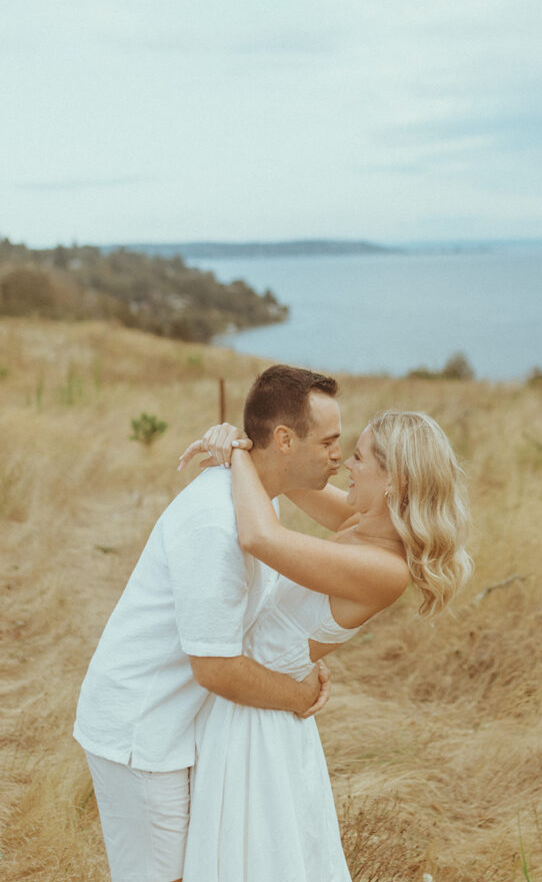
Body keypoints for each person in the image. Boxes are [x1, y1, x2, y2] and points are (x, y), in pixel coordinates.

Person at [177, 406, 472, 881]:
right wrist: (238, 438)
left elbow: (259, 536)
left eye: (358, 457)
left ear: (395, 480)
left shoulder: (385, 569)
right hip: (250, 692)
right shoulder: (361, 522)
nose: (343, 466)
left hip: (257, 720)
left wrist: (233, 451)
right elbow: (289, 477)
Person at [73, 365, 343, 882]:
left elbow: (352, 516)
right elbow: (215, 668)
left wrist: (240, 449)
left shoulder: (260, 499)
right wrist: (298, 695)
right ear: (284, 440)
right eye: (329, 441)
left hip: (181, 725)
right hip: (141, 733)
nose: (339, 454)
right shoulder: (216, 523)